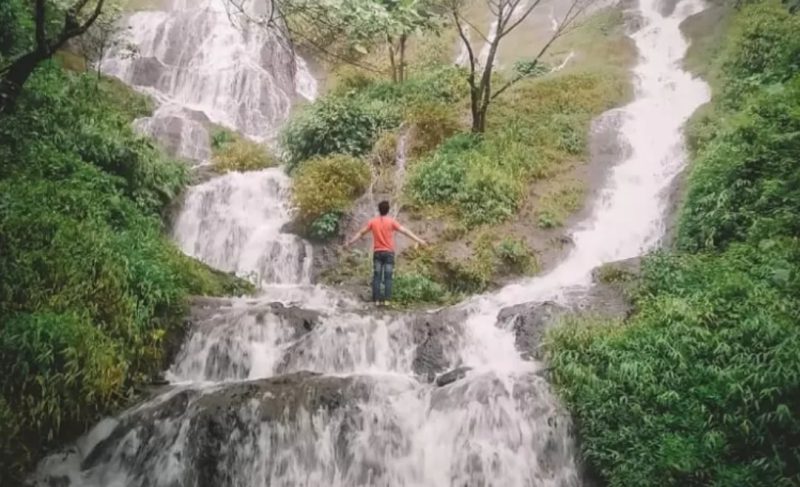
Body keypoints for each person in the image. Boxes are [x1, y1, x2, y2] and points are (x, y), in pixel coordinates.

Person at [345, 200, 426, 305]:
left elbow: (361, 233)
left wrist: (350, 242)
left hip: (377, 253)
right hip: (389, 253)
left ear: (379, 210)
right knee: (388, 276)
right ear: (388, 210)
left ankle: (377, 301)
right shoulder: (392, 222)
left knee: (377, 276)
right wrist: (419, 240)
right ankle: (387, 301)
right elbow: (405, 231)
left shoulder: (373, 222)